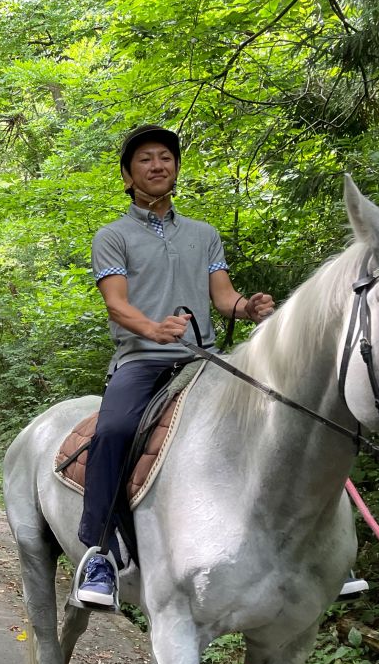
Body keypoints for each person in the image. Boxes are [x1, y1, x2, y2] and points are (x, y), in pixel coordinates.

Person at [75, 125, 276, 607]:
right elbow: (117, 305)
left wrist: (247, 308)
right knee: (113, 432)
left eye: (165, 157)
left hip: (202, 359)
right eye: (145, 159)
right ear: (127, 176)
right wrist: (152, 330)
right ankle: (99, 553)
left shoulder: (204, 234)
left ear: (176, 168)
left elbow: (223, 296)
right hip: (141, 360)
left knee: (276, 412)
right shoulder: (113, 236)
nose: (157, 165)